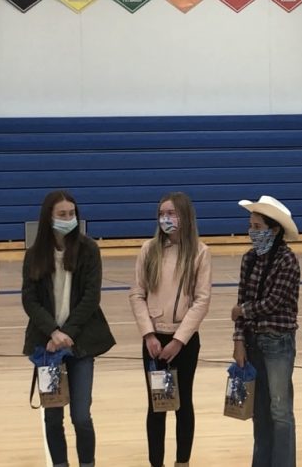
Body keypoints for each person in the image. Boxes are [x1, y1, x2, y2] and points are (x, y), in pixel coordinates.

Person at [21, 190, 115, 467]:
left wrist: (68, 333)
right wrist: (52, 331)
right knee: (53, 416)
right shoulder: (34, 255)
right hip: (47, 347)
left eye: (71, 214)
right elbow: (30, 299)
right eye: (62, 214)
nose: (68, 219)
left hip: (81, 343)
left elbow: (90, 298)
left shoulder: (89, 250)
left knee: (81, 416)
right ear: (49, 217)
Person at [129, 193, 212, 467]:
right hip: (154, 341)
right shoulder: (148, 250)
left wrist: (178, 340)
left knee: (182, 402)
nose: (166, 218)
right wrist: (149, 334)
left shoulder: (200, 252)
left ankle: (182, 461)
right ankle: (156, 462)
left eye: (172, 213)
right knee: (157, 405)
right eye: (162, 213)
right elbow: (137, 294)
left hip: (184, 342)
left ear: (185, 216)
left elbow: (201, 300)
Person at [231, 195, 301, 467]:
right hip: (252, 342)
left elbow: (275, 300)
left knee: (280, 410)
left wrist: (244, 311)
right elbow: (241, 299)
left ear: (274, 230)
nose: (252, 232)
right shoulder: (248, 260)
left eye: (257, 227)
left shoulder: (288, 260)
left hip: (278, 343)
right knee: (259, 412)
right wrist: (238, 340)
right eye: (250, 226)